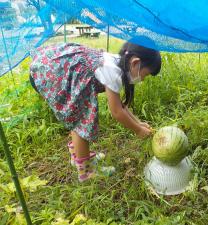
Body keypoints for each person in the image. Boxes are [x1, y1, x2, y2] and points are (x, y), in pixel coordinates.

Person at [29, 39, 161, 182]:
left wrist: (139, 123)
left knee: (78, 116)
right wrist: (138, 130)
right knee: (82, 121)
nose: (142, 79)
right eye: (145, 75)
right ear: (135, 63)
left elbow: (121, 105)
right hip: (51, 73)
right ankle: (86, 172)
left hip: (52, 67)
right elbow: (117, 112)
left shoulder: (116, 64)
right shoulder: (113, 71)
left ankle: (79, 155)